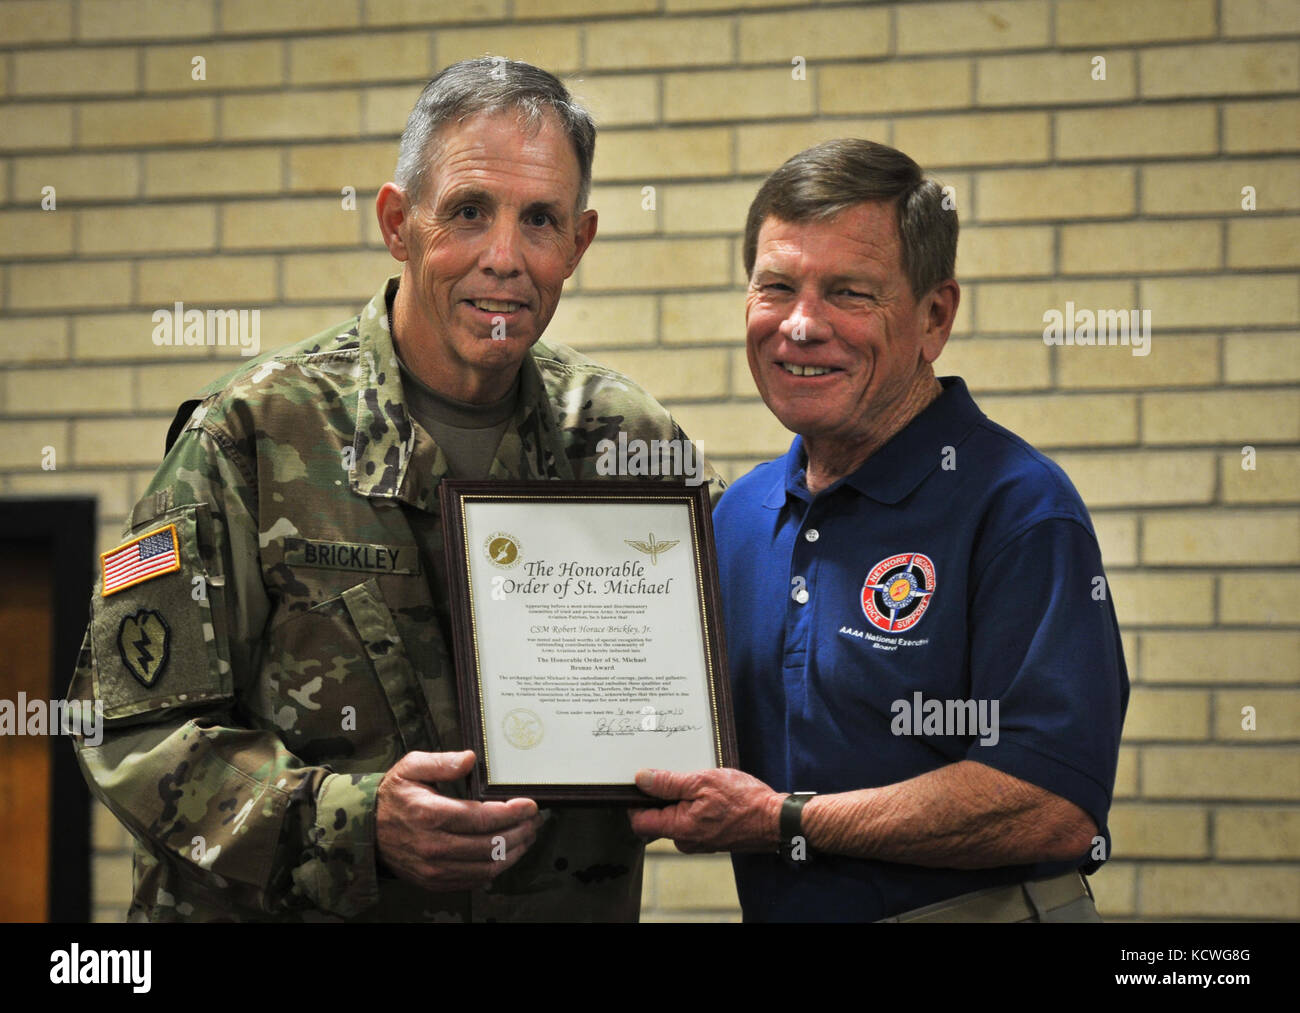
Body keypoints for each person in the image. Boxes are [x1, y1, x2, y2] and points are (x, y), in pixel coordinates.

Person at [67, 58, 721, 922]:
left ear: (580, 241)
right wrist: (354, 820)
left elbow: (693, 696)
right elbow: (126, 725)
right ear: (396, 222)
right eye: (468, 212)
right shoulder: (253, 435)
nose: (504, 258)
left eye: (540, 221)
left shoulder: (629, 443)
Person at [630, 139, 1129, 922]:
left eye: (849, 293)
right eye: (777, 286)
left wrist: (784, 822)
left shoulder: (1020, 507)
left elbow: (1051, 799)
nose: (801, 324)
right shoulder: (738, 516)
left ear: (934, 316)